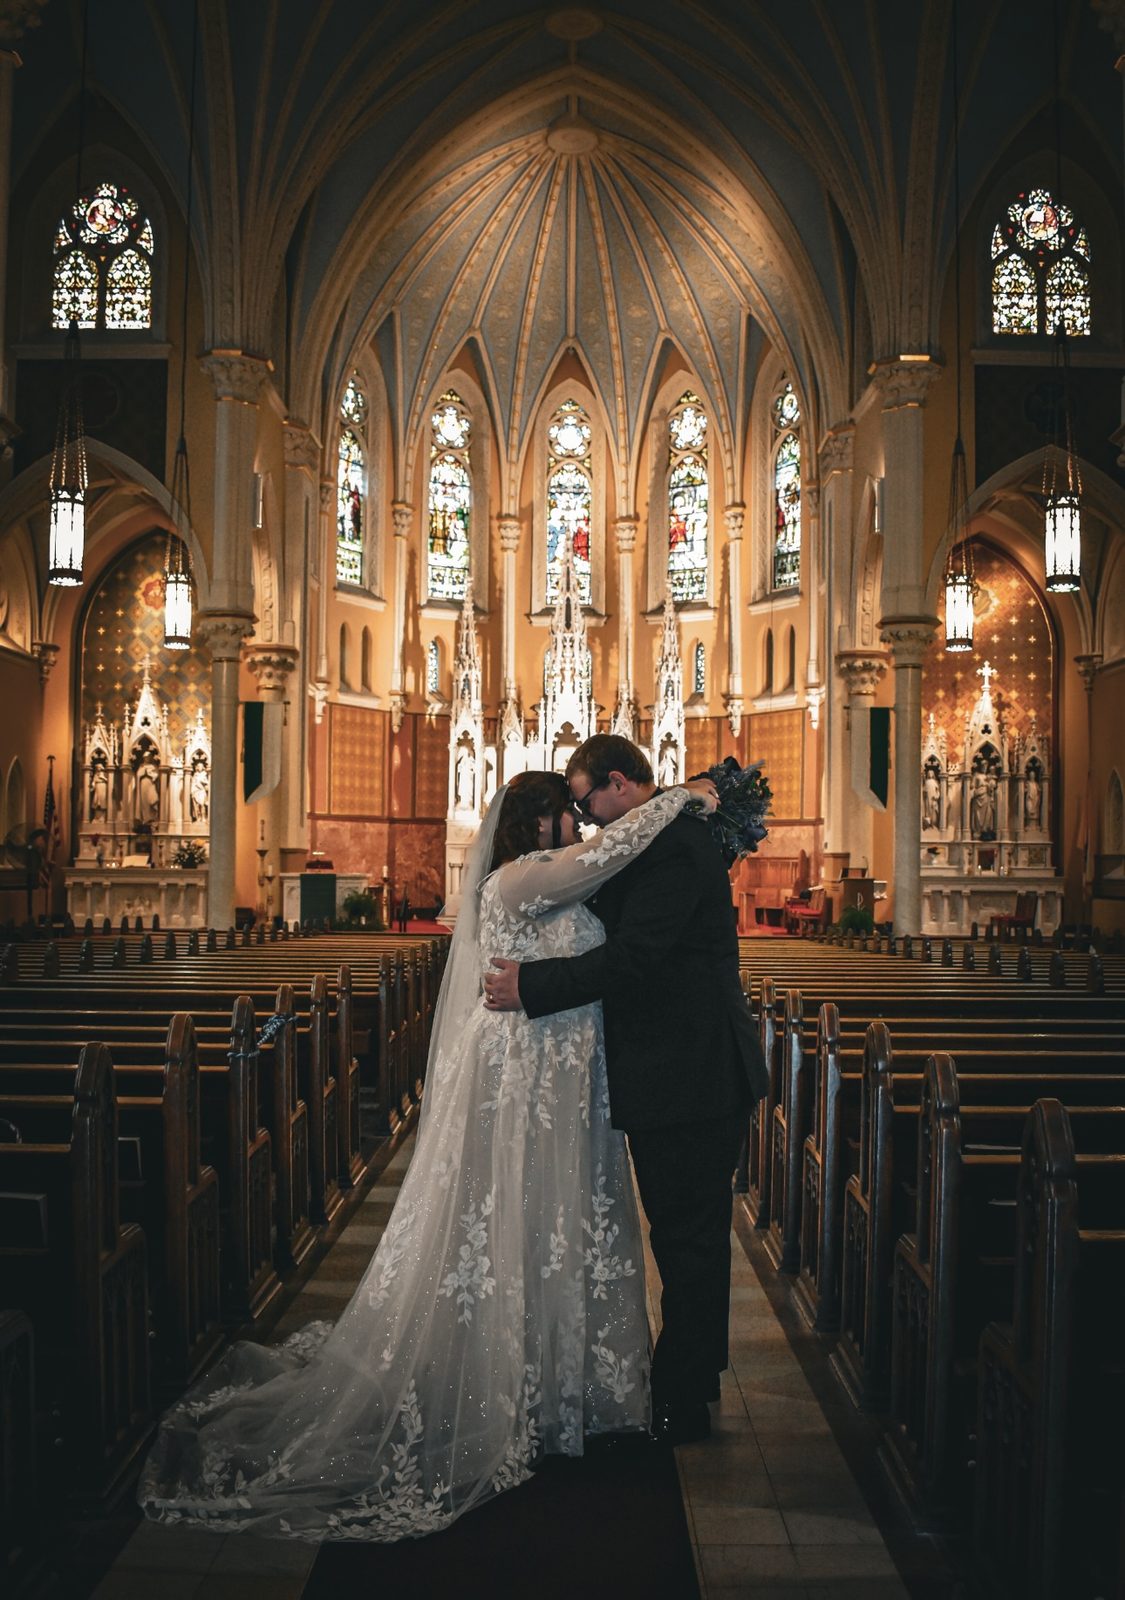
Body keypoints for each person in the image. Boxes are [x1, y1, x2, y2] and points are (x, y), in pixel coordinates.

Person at [139, 768, 715, 1541]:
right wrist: (680, 798)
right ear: (528, 824)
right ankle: (507, 1379)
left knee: (561, 1219)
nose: (576, 825)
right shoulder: (520, 880)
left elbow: (623, 900)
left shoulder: (560, 881)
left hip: (568, 1086)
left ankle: (562, 1380)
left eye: (579, 812)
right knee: (514, 1213)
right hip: (522, 1080)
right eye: (561, 814)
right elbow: (608, 853)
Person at [485, 733, 768, 1447]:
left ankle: (684, 1396)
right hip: (670, 1072)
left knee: (689, 1240)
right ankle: (685, 1380)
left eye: (585, 803)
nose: (584, 822)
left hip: (693, 1074)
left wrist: (535, 985)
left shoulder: (674, 844)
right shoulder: (657, 836)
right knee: (683, 1236)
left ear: (617, 784)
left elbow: (637, 956)